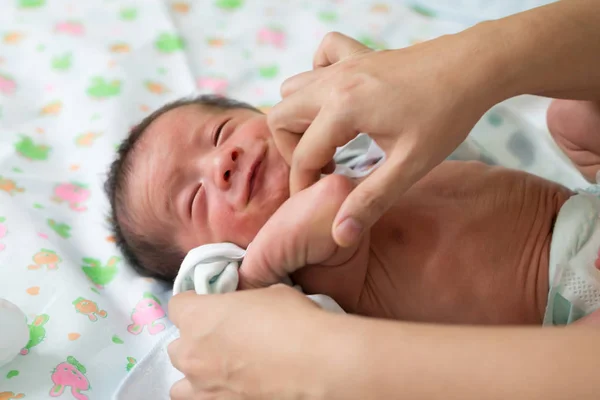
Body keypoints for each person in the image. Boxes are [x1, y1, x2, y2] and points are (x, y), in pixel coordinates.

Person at [163, 0, 600, 398]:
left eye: (221, 132)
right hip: (574, 303)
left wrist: (427, 75)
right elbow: (329, 200)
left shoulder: (365, 159)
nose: (222, 161)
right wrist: (257, 272)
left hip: (582, 205)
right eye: (195, 198)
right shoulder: (311, 268)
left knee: (570, 119)